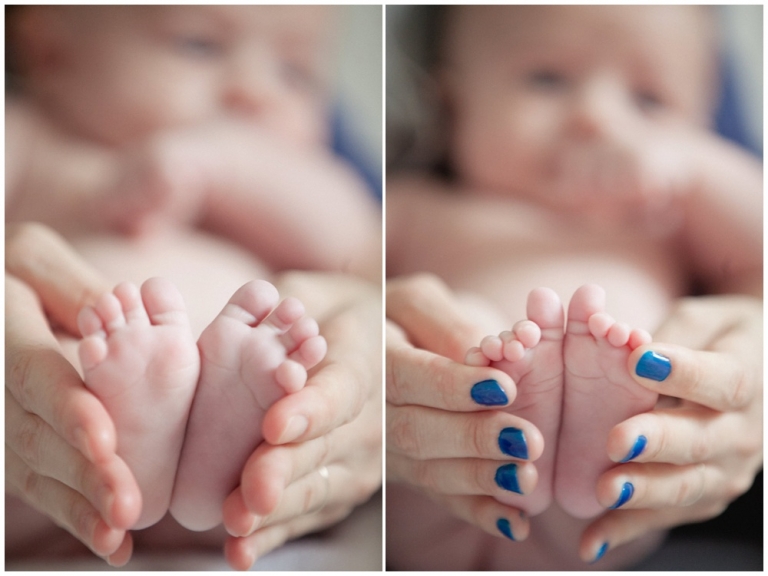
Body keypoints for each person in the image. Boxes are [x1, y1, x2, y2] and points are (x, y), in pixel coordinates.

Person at [6, 5, 381, 569]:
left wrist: (224, 164)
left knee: (270, 362)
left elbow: (354, 238)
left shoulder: (291, 168)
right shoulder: (28, 138)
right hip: (49, 407)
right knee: (42, 405)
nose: (255, 90)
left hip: (228, 405)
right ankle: (132, 430)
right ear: (52, 51)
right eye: (200, 45)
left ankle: (218, 444)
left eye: (295, 70)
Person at [385, 5, 762, 570]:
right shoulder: (423, 206)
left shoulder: (663, 221)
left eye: (649, 100)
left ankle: (590, 432)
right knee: (456, 325)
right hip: (441, 454)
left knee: (632, 417)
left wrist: (695, 170)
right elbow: (342, 263)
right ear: (452, 102)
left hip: (610, 483)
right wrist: (381, 329)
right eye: (548, 78)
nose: (597, 118)